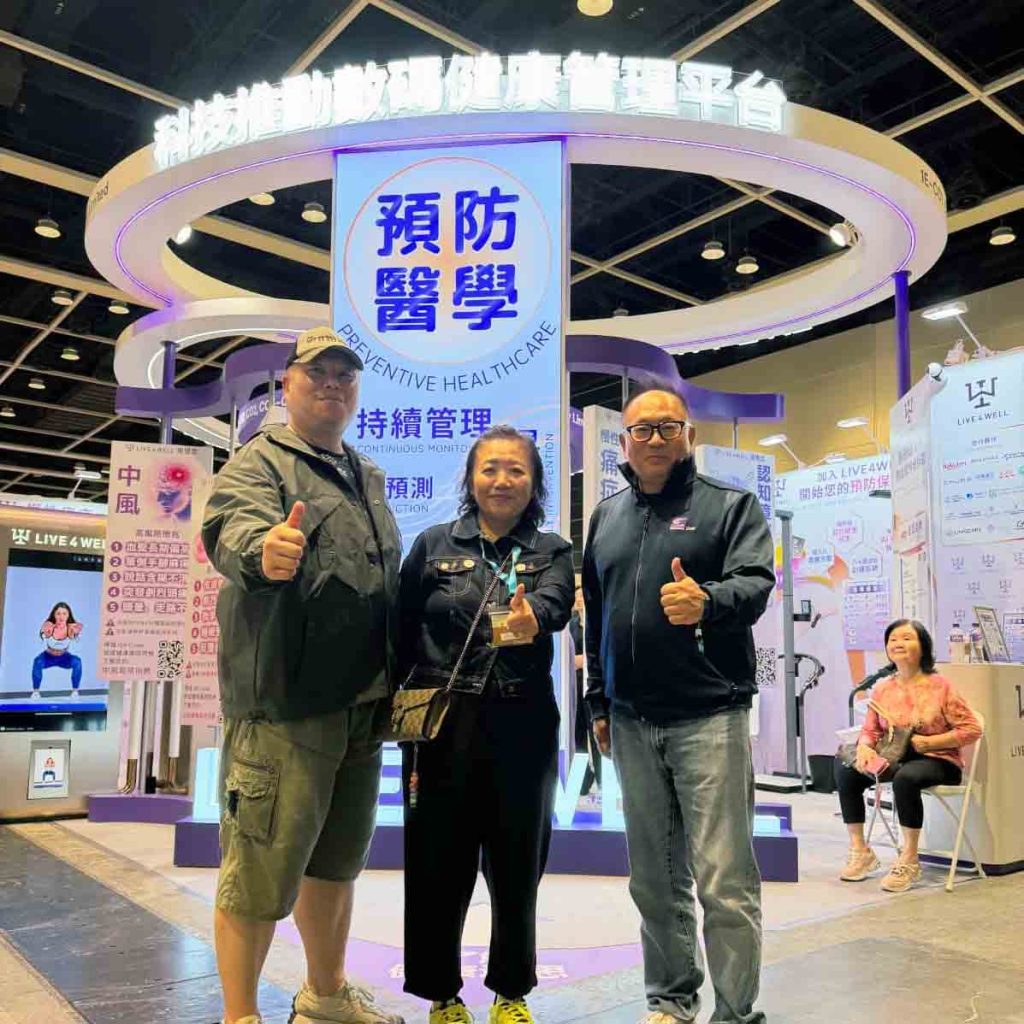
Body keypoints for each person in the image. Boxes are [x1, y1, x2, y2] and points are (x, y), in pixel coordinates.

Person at [202, 327, 404, 1024]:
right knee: (258, 869)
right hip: (284, 707)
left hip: (361, 707)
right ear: (287, 383)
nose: (332, 385)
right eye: (317, 372)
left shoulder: (366, 474)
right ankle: (240, 1016)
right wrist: (265, 549)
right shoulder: (259, 462)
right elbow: (231, 530)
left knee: (336, 864)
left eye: (344, 375)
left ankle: (325, 996)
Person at [582, 388, 774, 1024]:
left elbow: (756, 582)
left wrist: (708, 602)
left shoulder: (730, 506)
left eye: (668, 427)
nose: (655, 439)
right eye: (642, 429)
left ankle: (736, 1013)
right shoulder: (606, 517)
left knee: (724, 879)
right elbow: (597, 617)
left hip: (710, 714)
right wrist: (598, 700)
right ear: (625, 442)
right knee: (654, 879)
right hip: (630, 720)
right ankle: (669, 1000)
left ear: (689, 435)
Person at [398, 425, 574, 1024]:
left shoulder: (552, 550)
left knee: (518, 862)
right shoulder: (432, 545)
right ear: (471, 479)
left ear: (534, 482)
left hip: (523, 725)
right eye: (490, 468)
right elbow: (400, 630)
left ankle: (511, 993)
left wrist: (534, 616)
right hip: (441, 727)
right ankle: (441, 995)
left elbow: (555, 602)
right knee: (436, 864)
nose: (502, 480)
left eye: (516, 470)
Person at [834, 618, 982, 893]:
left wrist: (931, 742)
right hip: (895, 757)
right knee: (846, 767)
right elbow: (871, 730)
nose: (898, 644)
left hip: (939, 760)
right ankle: (860, 850)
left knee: (906, 778)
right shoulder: (882, 688)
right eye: (893, 639)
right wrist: (865, 746)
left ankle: (910, 859)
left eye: (906, 638)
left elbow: (972, 729)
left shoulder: (940, 686)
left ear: (923, 647)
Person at [569, 578, 600, 798]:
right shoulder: (570, 626)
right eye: (577, 596)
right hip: (574, 686)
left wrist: (583, 661)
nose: (579, 599)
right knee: (577, 734)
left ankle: (604, 779)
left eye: (582, 595)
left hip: (592, 686)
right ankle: (582, 782)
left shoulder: (596, 624)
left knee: (597, 733)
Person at [31, 602, 83, 698]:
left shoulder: (71, 628)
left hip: (64, 657)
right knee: (37, 661)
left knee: (77, 661)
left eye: (64, 614)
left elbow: (77, 637)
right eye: (58, 614)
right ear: (54, 615)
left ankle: (75, 691)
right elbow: (43, 636)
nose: (61, 617)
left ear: (68, 615)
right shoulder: (49, 626)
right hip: (48, 657)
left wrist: (76, 632)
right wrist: (45, 631)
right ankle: (36, 692)